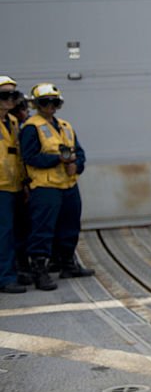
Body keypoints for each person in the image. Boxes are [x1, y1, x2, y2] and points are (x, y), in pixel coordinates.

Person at [19, 83, 93, 291]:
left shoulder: (65, 126)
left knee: (70, 225)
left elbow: (79, 152)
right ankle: (40, 271)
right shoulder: (31, 127)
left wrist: (76, 165)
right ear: (36, 105)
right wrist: (57, 159)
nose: (50, 106)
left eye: (54, 102)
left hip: (68, 185)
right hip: (45, 187)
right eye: (45, 102)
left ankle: (68, 263)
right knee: (43, 229)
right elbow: (30, 157)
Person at [0, 76, 27, 293]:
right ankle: (5, 277)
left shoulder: (13, 122)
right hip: (1, 187)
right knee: (4, 232)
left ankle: (14, 271)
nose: (10, 100)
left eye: (13, 95)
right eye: (5, 95)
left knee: (16, 232)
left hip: (14, 185)